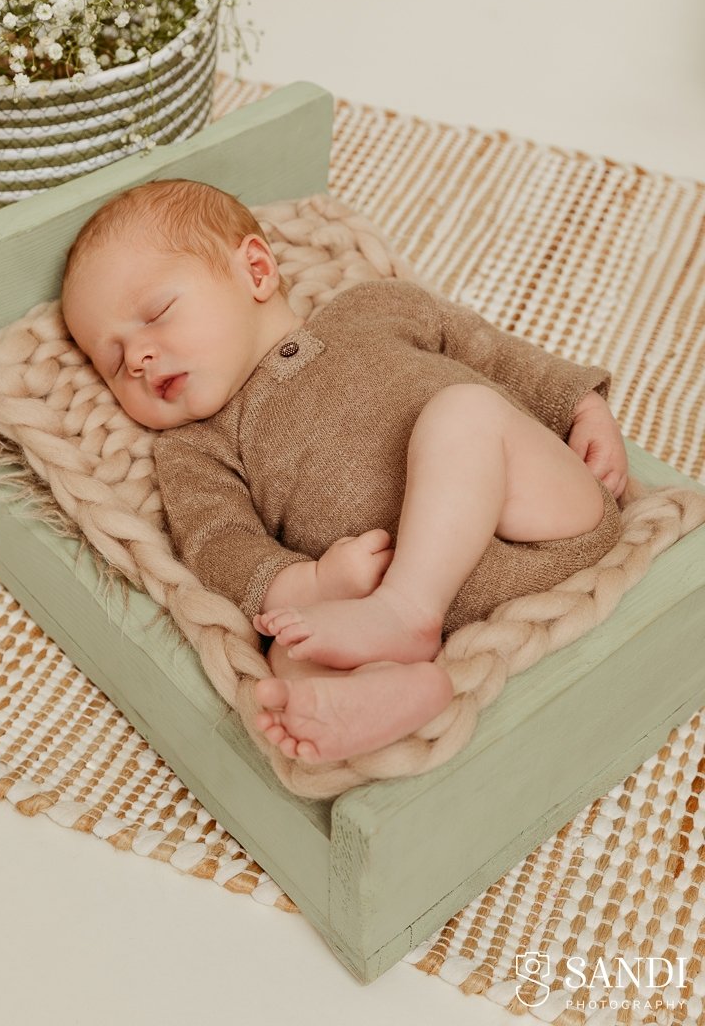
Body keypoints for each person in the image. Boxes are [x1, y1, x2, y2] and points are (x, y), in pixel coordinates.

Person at [61, 178, 628, 765]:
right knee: (288, 642)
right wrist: (310, 587)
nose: (137, 358)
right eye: (112, 361)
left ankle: (409, 611)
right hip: (393, 608)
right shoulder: (192, 450)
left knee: (467, 413)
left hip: (543, 521)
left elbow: (490, 350)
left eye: (156, 313)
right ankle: (386, 691)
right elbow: (218, 545)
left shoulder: (371, 307)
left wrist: (582, 406)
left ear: (255, 271)